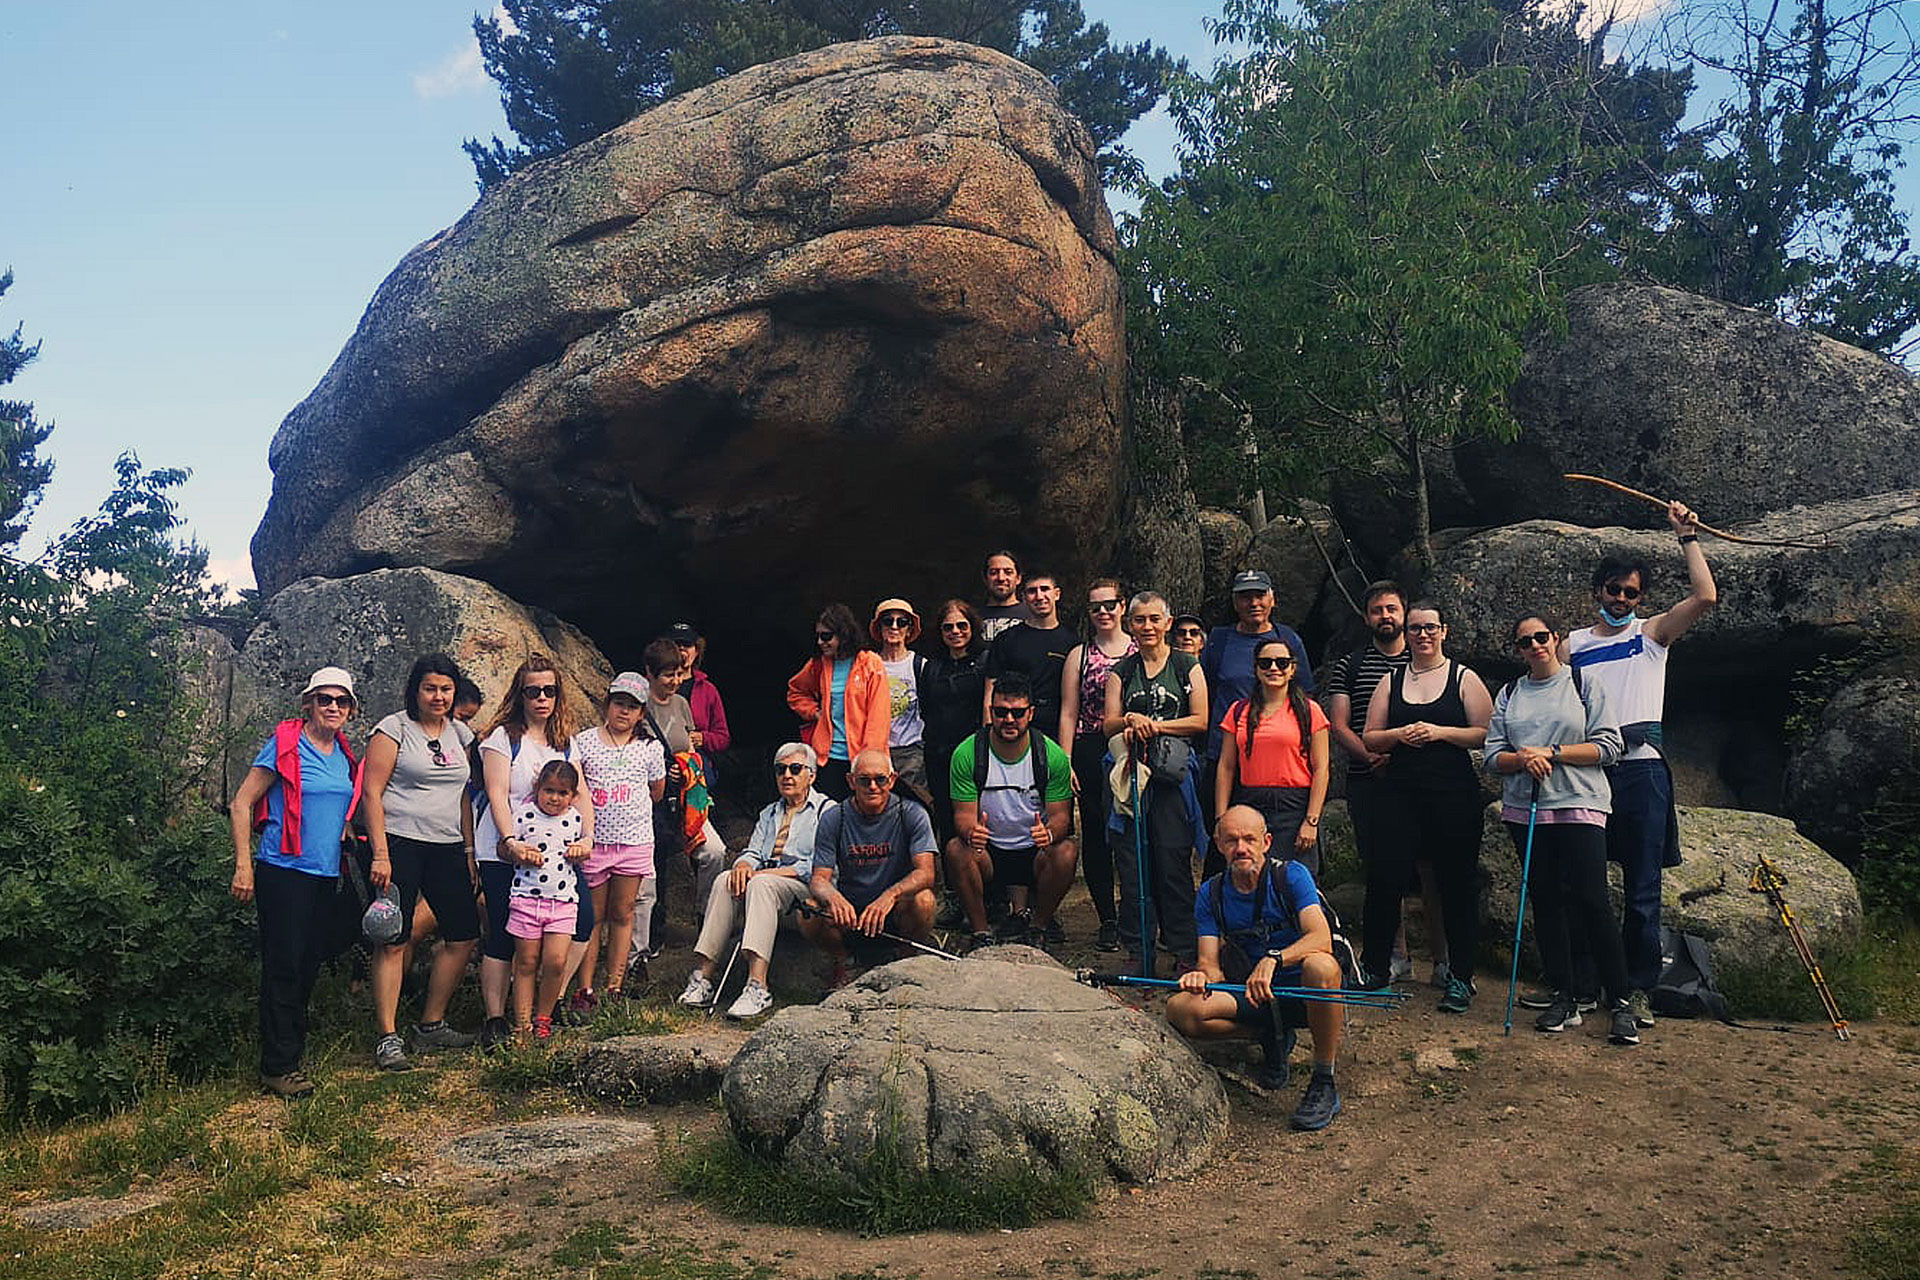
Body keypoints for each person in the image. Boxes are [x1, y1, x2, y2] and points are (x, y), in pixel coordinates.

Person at [1562, 500, 1717, 1029]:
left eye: (1631, 593)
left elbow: (1705, 597)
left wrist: (1687, 537)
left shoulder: (1650, 637)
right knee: (1583, 884)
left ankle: (1638, 988)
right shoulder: (1572, 646)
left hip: (1642, 770)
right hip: (1589, 771)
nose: (1622, 600)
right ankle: (1584, 984)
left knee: (1643, 889)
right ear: (1598, 591)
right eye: (1614, 590)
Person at [1484, 612, 1638, 1046]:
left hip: (1580, 804)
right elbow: (1493, 755)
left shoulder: (1584, 684)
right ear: (1517, 650)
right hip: (1526, 809)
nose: (1535, 646)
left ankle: (1619, 1000)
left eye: (1541, 637)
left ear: (1555, 638)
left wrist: (1552, 752)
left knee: (1592, 899)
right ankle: (1564, 994)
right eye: (1524, 641)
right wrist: (1522, 759)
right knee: (1546, 900)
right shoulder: (1510, 693)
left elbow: (1609, 746)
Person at [229, 666, 365, 1098]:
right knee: (285, 965)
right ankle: (278, 1066)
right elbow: (241, 803)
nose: (333, 707)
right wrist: (243, 865)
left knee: (308, 962)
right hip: (283, 870)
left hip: (324, 873)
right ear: (309, 704)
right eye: (324, 699)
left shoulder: (343, 754)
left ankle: (290, 1053)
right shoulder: (286, 744)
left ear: (351, 709)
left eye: (341, 701)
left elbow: (336, 809)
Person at [1166, 806, 1346, 1131]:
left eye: (1249, 839)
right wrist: (1200, 978)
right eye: (1231, 840)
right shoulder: (1211, 893)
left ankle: (1324, 1078)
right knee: (1181, 1009)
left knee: (1322, 966)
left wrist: (1275, 959)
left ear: (1266, 842)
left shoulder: (1291, 876)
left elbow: (1321, 938)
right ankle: (1270, 1037)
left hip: (1303, 992)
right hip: (1253, 994)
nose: (1241, 848)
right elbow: (1210, 964)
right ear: (1219, 845)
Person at [1361, 602, 1492, 1012]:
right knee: (1385, 878)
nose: (1423, 635)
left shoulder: (1463, 677)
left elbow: (1485, 732)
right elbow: (1370, 736)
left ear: (1444, 631)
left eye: (1430, 627)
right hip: (1399, 792)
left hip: (1453, 793)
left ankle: (1460, 975)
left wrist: (1439, 732)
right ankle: (1376, 968)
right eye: (1415, 628)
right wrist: (1400, 734)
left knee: (1456, 884)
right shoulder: (1392, 679)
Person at [1324, 580, 1447, 986]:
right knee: (1381, 869)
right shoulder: (1351, 665)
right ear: (1366, 617)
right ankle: (1397, 955)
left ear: (1405, 612)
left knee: (1431, 869)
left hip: (1423, 781)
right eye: (1377, 610)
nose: (1386, 616)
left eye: (1392, 609)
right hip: (1369, 780)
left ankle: (1444, 959)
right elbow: (1340, 724)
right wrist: (1370, 756)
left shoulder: (1425, 661)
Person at [362, 653, 480, 1070]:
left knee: (463, 934)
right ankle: (387, 1036)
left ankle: (431, 1024)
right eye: (430, 688)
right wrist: (380, 853)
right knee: (393, 938)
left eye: (446, 689)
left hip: (447, 845)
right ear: (415, 690)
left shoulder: (461, 733)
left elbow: (464, 795)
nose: (438, 696)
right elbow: (371, 792)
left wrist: (470, 851)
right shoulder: (392, 729)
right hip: (400, 843)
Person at [472, 656, 594, 1049]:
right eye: (533, 691)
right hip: (504, 848)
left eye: (549, 691)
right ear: (520, 695)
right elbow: (496, 793)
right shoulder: (503, 738)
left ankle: (548, 1003)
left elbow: (582, 794)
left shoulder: (565, 742)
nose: (542, 698)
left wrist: (588, 837)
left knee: (582, 922)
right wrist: (510, 841)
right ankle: (496, 1018)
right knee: (503, 934)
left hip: (557, 856)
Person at [680, 744, 835, 1019]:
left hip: (803, 891)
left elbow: (819, 866)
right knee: (726, 879)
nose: (787, 775)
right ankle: (703, 977)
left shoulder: (827, 811)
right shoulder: (770, 812)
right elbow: (754, 852)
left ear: (811, 775)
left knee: (762, 884)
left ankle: (757, 986)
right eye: (780, 770)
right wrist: (743, 865)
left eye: (795, 769)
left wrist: (766, 874)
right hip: (765, 884)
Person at [1105, 590, 1209, 972]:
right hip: (1130, 775)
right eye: (1139, 620)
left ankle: (1184, 951)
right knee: (1132, 864)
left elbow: (1200, 720)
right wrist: (1130, 720)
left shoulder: (1186, 665)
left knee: (1173, 862)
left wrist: (1156, 725)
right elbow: (1108, 723)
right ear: (1129, 624)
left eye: (1154, 619)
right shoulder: (1121, 671)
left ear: (1167, 623)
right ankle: (1138, 950)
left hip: (1172, 777)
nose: (1147, 626)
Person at [946, 672, 1078, 949]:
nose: (1009, 719)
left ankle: (1038, 927)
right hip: (989, 851)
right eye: (1001, 712)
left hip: (1034, 851)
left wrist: (1049, 833)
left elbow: (1061, 817)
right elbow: (963, 816)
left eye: (1017, 713)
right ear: (990, 711)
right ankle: (981, 931)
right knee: (956, 850)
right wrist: (972, 832)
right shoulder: (967, 753)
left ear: (1030, 713)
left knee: (1066, 852)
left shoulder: (1050, 755)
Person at [1200, 571, 1314, 871]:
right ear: (1234, 602)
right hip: (1225, 755)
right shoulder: (1219, 640)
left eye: (1259, 595)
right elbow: (1204, 690)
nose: (1253, 603)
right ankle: (1221, 899)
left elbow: (1304, 696)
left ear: (1272, 599)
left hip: (1277, 764)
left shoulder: (1288, 640)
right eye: (1245, 596)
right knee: (1225, 845)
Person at [569, 671, 666, 1018]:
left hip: (634, 841)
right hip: (595, 842)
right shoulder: (584, 742)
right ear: (607, 704)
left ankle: (615, 985)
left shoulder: (650, 748)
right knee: (593, 916)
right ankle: (585, 988)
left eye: (632, 707)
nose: (624, 711)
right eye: (619, 703)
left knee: (624, 913)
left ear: (642, 712)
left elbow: (657, 791)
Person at [805, 748, 939, 983]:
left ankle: (906, 957)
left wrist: (890, 895)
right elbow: (819, 878)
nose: (873, 787)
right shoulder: (834, 817)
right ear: (851, 781)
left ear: (892, 780)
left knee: (925, 900)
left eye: (880, 779)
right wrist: (834, 898)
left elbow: (926, 873)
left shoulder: (911, 813)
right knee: (809, 910)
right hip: (851, 914)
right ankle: (843, 961)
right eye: (864, 780)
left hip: (895, 911)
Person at [1058, 578, 1136, 952]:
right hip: (1090, 748)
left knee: (1134, 832)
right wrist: (1065, 760)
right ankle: (1107, 918)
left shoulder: (1140, 648)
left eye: (1110, 604)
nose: (1103, 612)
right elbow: (1068, 711)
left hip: (1134, 746)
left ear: (1123, 606)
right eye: (1095, 607)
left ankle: (1137, 913)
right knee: (1096, 833)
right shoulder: (1080, 655)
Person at [1214, 637, 1331, 878]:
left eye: (1282, 662)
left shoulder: (1310, 711)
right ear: (1256, 668)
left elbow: (1322, 768)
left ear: (1293, 669)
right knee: (1249, 879)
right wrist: (1222, 818)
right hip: (1249, 804)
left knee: (1296, 880)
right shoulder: (1238, 711)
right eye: (1265, 663)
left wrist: (1311, 821)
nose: (1274, 668)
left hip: (1295, 807)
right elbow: (1226, 767)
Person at [639, 637, 729, 937]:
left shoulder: (681, 703)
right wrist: (663, 771)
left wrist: (688, 767)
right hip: (652, 802)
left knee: (714, 852)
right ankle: (653, 932)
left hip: (685, 798)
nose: (676, 681)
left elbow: (690, 747)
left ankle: (706, 918)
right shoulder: (639, 705)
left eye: (679, 673)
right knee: (654, 865)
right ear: (650, 673)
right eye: (669, 675)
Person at [504, 760, 591, 1039]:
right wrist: (518, 851)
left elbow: (585, 851)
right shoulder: (523, 815)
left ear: (573, 795)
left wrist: (580, 851)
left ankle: (544, 1017)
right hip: (526, 899)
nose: (554, 798)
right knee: (526, 962)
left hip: (563, 901)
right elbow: (503, 849)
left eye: (562, 793)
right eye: (549, 790)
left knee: (556, 961)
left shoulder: (576, 819)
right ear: (538, 789)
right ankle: (522, 1024)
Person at [787, 603, 891, 800]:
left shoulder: (870, 663)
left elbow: (879, 717)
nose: (821, 642)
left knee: (862, 812)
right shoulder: (818, 664)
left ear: (843, 635)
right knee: (828, 812)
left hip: (860, 758)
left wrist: (869, 760)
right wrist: (814, 712)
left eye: (826, 636)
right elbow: (796, 692)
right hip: (827, 758)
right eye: (818, 636)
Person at [919, 598, 987, 846]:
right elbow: (926, 708)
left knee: (979, 818)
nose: (955, 632)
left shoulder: (986, 661)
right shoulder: (932, 667)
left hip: (974, 752)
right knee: (946, 817)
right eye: (948, 627)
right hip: (939, 755)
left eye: (962, 625)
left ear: (972, 627)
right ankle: (951, 870)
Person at [983, 570, 1073, 740]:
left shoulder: (1071, 642)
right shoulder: (1006, 639)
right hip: (1012, 725)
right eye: (1032, 591)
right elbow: (990, 691)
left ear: (1057, 594)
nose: (1039, 596)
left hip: (1055, 729)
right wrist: (987, 736)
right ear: (1024, 598)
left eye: (1045, 589)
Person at [871, 599, 932, 807]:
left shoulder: (920, 665)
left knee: (917, 805)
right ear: (879, 628)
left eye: (902, 622)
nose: (894, 627)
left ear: (909, 629)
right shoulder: (868, 664)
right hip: (876, 749)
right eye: (888, 621)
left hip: (911, 751)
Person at [668, 621, 731, 784]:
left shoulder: (708, 690)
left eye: (687, 645)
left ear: (696, 651)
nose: (682, 649)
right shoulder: (652, 686)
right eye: (676, 645)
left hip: (696, 763)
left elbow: (723, 737)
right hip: (662, 760)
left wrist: (703, 738)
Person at [977, 550, 1029, 642]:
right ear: (985, 579)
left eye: (1008, 572)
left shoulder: (1032, 615)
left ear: (1018, 578)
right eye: (994, 572)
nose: (1001, 578)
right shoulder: (974, 616)